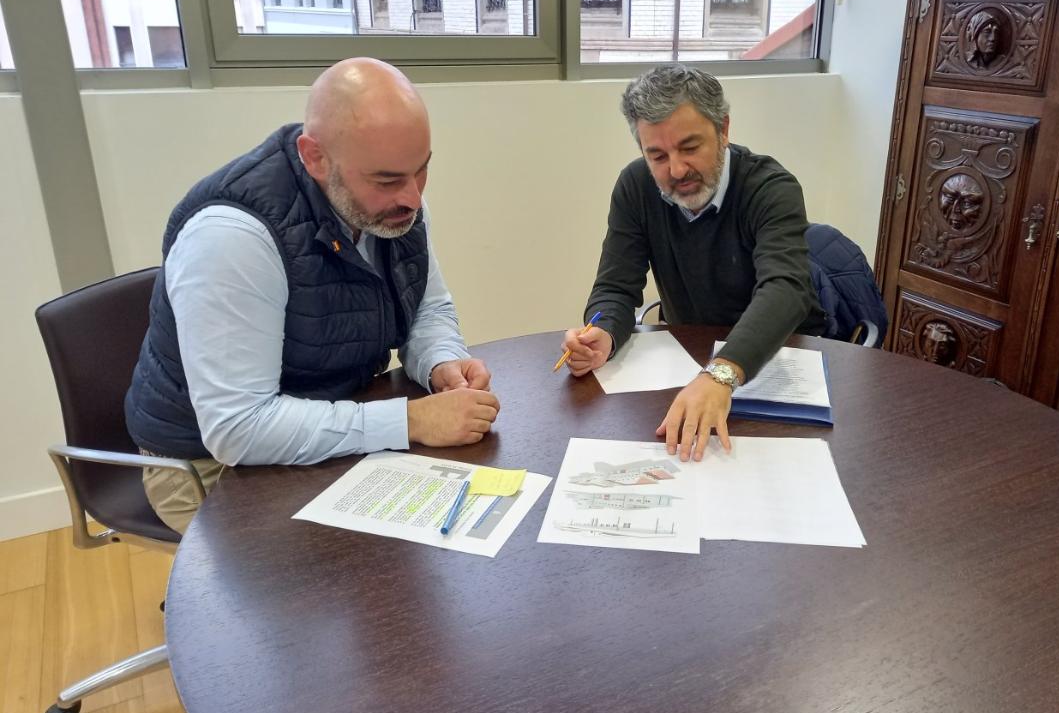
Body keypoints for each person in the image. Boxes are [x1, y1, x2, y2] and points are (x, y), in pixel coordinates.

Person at [125, 58, 499, 534]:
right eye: (387, 180)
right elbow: (238, 430)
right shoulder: (232, 238)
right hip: (208, 469)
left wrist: (441, 362)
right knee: (335, 577)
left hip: (337, 419)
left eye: (422, 170)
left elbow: (426, 305)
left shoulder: (389, 197)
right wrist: (410, 421)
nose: (412, 197)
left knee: (444, 530)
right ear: (315, 157)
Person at [561, 65, 823, 463]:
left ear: (724, 129)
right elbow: (616, 288)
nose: (677, 170)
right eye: (658, 155)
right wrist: (602, 332)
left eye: (689, 147)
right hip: (688, 368)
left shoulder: (771, 188)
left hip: (774, 366)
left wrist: (722, 372)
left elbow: (786, 290)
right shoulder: (636, 186)